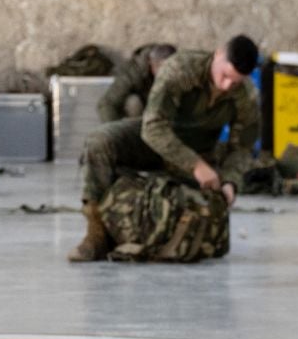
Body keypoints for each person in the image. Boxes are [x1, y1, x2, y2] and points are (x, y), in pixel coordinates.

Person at [68, 37, 260, 262]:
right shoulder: (181, 69)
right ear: (217, 54)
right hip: (156, 141)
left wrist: (230, 181)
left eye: (235, 82)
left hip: (201, 151)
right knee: (99, 141)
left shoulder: (246, 96)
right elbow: (153, 127)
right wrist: (194, 164)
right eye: (225, 75)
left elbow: (242, 147)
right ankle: (97, 234)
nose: (226, 86)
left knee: (194, 216)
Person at [97, 43, 177, 124]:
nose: (166, 72)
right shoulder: (133, 72)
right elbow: (107, 103)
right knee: (133, 103)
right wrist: (114, 129)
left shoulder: (179, 70)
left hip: (163, 110)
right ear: (152, 64)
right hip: (140, 112)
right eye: (161, 67)